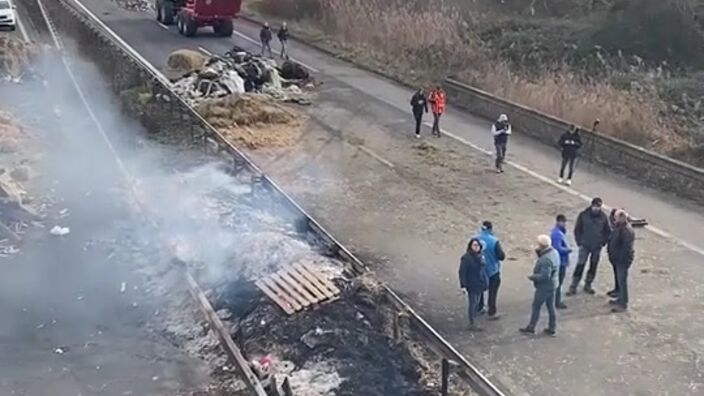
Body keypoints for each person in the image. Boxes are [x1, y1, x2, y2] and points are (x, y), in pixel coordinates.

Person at [567, 197, 611, 296]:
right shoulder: (583, 215)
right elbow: (577, 229)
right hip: (585, 245)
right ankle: (573, 285)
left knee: (593, 266)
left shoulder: (604, 217)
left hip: (596, 246)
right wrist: (579, 242)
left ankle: (588, 284)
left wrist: (602, 242)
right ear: (591, 205)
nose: (596, 208)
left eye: (598, 206)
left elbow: (608, 231)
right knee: (580, 265)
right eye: (595, 206)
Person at [520, 235, 560, 336]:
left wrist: (533, 277)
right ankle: (552, 327)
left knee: (536, 306)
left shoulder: (545, 259)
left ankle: (531, 327)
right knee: (551, 307)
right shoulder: (554, 252)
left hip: (545, 287)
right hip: (553, 284)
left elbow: (545, 276)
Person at [474, 221, 506, 319]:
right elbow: (501, 256)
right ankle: (491, 311)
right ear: (490, 229)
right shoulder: (494, 241)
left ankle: (479, 307)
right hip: (492, 270)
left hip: (478, 269)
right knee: (493, 291)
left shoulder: (475, 239)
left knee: (479, 289)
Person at [607, 210, 635, 313]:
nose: (614, 219)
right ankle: (620, 299)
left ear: (622, 218)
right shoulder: (620, 227)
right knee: (620, 280)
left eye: (616, 217)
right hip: (617, 259)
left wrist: (618, 258)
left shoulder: (626, 230)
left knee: (622, 281)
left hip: (622, 260)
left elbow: (626, 248)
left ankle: (623, 303)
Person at [459, 238, 489, 331]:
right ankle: (472, 322)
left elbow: (483, 271)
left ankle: (474, 321)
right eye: (474, 245)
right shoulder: (466, 258)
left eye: (478, 245)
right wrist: (463, 285)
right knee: (473, 303)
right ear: (470, 246)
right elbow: (462, 272)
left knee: (477, 303)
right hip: (472, 284)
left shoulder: (481, 256)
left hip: (480, 283)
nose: (476, 247)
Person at [550, 214, 572, 309]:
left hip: (559, 260)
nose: (564, 224)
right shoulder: (557, 234)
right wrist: (568, 250)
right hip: (559, 261)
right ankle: (557, 302)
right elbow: (558, 248)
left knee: (557, 282)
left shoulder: (557, 232)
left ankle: (555, 300)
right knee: (558, 282)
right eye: (563, 222)